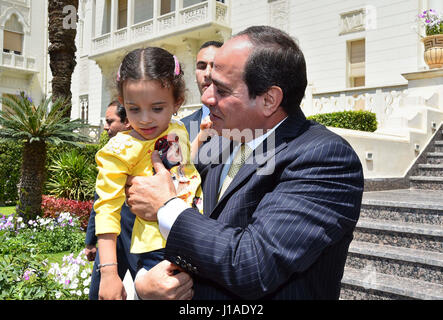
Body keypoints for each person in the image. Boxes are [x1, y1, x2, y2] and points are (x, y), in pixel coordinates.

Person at [125, 25, 364, 300]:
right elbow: (155, 208)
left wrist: (166, 207)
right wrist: (144, 283)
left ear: (269, 100)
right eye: (209, 82)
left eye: (222, 90)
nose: (206, 97)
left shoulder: (324, 158)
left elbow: (253, 265)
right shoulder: (218, 141)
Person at [94, 47, 201, 300]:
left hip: (196, 234)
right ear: (122, 104)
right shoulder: (118, 151)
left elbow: (184, 169)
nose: (145, 119)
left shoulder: (177, 129)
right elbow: (106, 210)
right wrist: (109, 273)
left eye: (156, 108)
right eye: (134, 109)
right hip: (158, 248)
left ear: (177, 102)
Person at [85, 100, 138, 300]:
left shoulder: (151, 150)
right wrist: (91, 240)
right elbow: (100, 200)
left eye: (110, 121)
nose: (106, 126)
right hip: (111, 243)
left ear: (127, 122)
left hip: (139, 241)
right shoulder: (108, 153)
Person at [181, 40, 223, 142]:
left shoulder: (246, 125)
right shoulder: (181, 129)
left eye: (215, 66)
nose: (208, 73)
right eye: (202, 67)